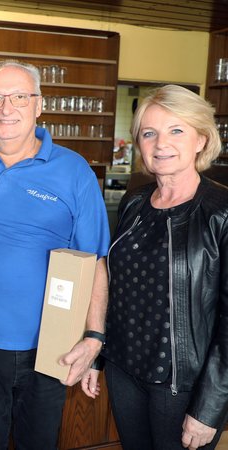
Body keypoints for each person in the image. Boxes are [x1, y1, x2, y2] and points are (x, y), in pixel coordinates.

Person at [0, 60, 110, 450]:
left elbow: (97, 264)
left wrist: (94, 338)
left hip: (51, 346)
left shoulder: (74, 172)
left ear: (39, 105)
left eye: (20, 97)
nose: (7, 108)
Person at [88, 85, 228, 450]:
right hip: (125, 370)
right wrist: (97, 353)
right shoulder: (135, 201)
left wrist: (210, 407)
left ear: (201, 138)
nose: (161, 143)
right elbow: (119, 287)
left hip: (181, 383)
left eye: (176, 130)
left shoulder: (221, 212)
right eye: (149, 133)